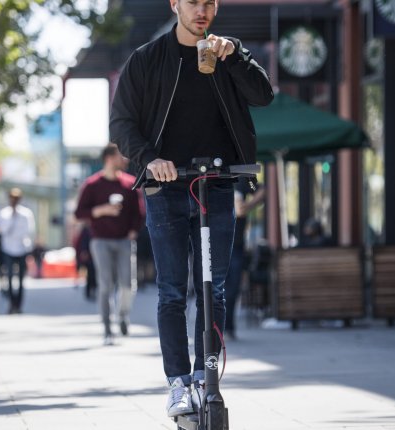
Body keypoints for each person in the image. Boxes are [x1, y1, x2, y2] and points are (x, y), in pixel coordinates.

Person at [109, 0, 273, 417]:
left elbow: (263, 95)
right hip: (165, 189)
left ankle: (207, 377)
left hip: (215, 186)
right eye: (193, 2)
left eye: (209, 3)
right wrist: (149, 159)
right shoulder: (147, 60)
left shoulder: (227, 53)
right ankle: (178, 383)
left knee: (214, 288)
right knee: (171, 291)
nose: (202, 10)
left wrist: (234, 57)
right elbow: (122, 123)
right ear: (175, 5)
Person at [74, 144, 144, 346]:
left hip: (124, 241)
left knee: (127, 284)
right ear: (109, 158)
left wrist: (133, 231)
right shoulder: (92, 185)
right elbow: (79, 214)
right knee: (105, 285)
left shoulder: (130, 184)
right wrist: (101, 210)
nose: (126, 159)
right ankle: (107, 327)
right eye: (121, 156)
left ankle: (123, 315)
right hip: (100, 241)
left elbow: (138, 214)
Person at [224, 182, 265, 341]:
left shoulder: (242, 177)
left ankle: (228, 327)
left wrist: (248, 205)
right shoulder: (209, 171)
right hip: (212, 242)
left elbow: (260, 189)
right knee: (212, 287)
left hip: (236, 244)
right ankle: (213, 328)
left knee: (233, 288)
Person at [0, 188, 36, 314]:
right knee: (8, 278)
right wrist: (12, 219)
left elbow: (28, 231)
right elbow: (3, 231)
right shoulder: (4, 213)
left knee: (20, 279)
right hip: (8, 249)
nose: (14, 201)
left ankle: (18, 305)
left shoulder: (26, 214)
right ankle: (11, 303)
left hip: (21, 249)